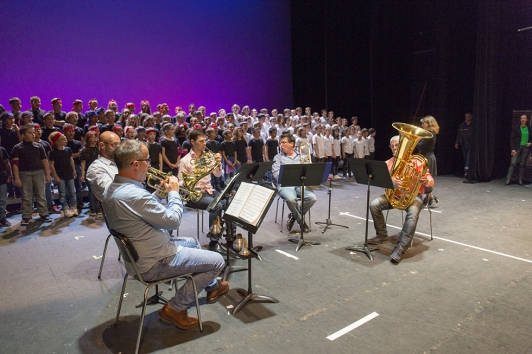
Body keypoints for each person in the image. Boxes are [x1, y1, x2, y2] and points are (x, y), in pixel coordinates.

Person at [102, 139, 228, 329]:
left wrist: (159, 194)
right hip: (155, 262)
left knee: (193, 243)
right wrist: (174, 193)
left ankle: (212, 287)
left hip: (139, 256)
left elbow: (141, 210)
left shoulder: (113, 189)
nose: (150, 165)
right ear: (135, 164)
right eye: (147, 161)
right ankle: (176, 308)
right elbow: (172, 221)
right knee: (218, 261)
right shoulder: (135, 195)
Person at [367, 135, 434, 263]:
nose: (394, 148)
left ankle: (401, 247)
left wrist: (426, 180)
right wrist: (391, 181)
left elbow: (430, 180)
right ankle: (382, 235)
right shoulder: (388, 163)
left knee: (412, 215)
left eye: (397, 145)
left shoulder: (417, 161)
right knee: (374, 204)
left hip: (413, 197)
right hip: (394, 196)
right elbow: (381, 183)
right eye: (392, 146)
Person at [178, 129, 225, 252]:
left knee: (229, 202)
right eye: (201, 141)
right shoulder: (185, 160)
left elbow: (218, 175)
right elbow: (180, 182)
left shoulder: (208, 157)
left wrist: (219, 164)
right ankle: (214, 241)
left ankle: (230, 236)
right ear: (192, 142)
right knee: (216, 205)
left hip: (209, 190)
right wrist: (191, 180)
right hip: (194, 194)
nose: (205, 143)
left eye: (205, 140)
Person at [272, 132, 317, 233]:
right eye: (280, 143)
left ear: (292, 144)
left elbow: (308, 172)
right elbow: (275, 174)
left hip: (300, 184)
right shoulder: (278, 157)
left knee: (312, 198)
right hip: (285, 185)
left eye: (284, 143)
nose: (281, 145)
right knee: (291, 199)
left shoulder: (302, 156)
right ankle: (301, 222)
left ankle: (293, 215)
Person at [11, 125, 52, 226]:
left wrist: (47, 174)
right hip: (24, 174)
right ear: (23, 135)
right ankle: (26, 216)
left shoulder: (39, 146)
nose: (33, 134)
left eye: (34, 132)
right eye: (30, 133)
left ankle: (43, 214)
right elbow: (15, 164)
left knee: (41, 194)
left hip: (38, 173)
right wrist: (16, 177)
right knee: (26, 195)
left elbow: (44, 161)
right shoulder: (18, 147)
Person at [86, 131, 121, 203]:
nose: (118, 149)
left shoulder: (119, 163)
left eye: (119, 145)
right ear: (102, 145)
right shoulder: (96, 168)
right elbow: (112, 192)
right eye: (114, 144)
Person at [48, 132, 78, 217]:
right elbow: (52, 165)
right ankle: (65, 208)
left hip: (69, 173)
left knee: (72, 192)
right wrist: (55, 175)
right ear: (57, 142)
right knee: (63, 193)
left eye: (65, 138)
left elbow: (71, 160)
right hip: (60, 175)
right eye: (62, 139)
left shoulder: (68, 149)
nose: (65, 140)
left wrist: (74, 170)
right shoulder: (53, 152)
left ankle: (74, 208)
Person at [417, 116, 439, 206]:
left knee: (427, 179)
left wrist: (415, 138)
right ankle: (429, 199)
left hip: (427, 158)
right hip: (426, 157)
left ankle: (431, 199)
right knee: (425, 179)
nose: (422, 125)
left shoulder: (429, 134)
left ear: (428, 123)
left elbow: (420, 145)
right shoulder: (430, 133)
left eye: (423, 123)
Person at [506, 114, 531, 186]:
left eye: (524, 118)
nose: (523, 119)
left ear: (527, 120)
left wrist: (530, 143)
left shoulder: (530, 128)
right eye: (521, 118)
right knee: (513, 163)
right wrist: (512, 149)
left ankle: (520, 179)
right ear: (520, 120)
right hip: (517, 147)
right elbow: (512, 139)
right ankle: (508, 179)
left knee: (522, 164)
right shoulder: (516, 128)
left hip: (526, 147)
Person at [455, 113, 473, 178]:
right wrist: (457, 142)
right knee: (465, 157)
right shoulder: (462, 125)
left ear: (471, 117)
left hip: (471, 144)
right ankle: (468, 171)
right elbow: (458, 134)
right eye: (465, 116)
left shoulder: (473, 125)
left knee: (468, 157)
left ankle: (466, 170)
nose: (466, 117)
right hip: (463, 144)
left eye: (468, 116)